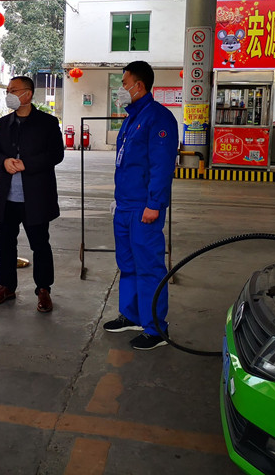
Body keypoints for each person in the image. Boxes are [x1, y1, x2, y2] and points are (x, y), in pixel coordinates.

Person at [103, 61, 178, 350]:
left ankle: (155, 328)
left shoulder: (158, 118)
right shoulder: (132, 117)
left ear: (139, 85)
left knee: (149, 267)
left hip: (144, 208)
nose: (121, 89)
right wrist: (118, 199)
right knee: (127, 264)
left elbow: (161, 166)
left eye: (124, 84)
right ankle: (132, 315)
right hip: (125, 206)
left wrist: (154, 204)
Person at [0, 76, 64, 312]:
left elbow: (56, 154)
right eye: (8, 91)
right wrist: (3, 161)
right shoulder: (3, 123)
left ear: (28, 94)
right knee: (5, 245)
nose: (8, 94)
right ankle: (6, 287)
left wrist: (27, 164)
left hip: (36, 197)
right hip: (6, 197)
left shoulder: (47, 123)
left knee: (40, 245)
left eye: (13, 90)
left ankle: (43, 290)